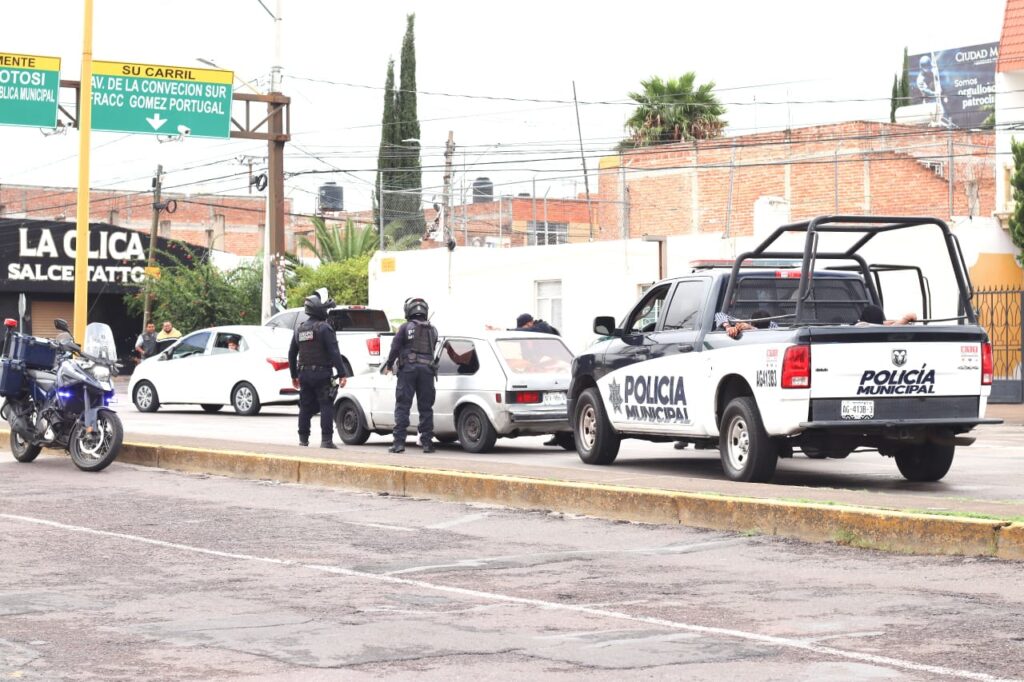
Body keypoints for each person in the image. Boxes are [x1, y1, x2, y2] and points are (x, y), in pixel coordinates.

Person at [288, 288, 350, 448]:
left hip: (304, 374)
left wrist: (293, 375)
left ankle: (303, 440)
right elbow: (334, 352)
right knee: (326, 405)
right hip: (322, 373)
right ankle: (326, 441)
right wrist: (342, 373)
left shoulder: (300, 329)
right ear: (318, 309)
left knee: (305, 406)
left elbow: (291, 353)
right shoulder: (324, 328)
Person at [384, 297, 439, 454]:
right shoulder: (433, 330)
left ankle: (399, 443)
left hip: (408, 370)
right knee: (426, 408)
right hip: (427, 371)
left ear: (408, 311)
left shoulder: (404, 328)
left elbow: (395, 348)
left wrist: (389, 365)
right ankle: (427, 443)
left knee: (402, 406)